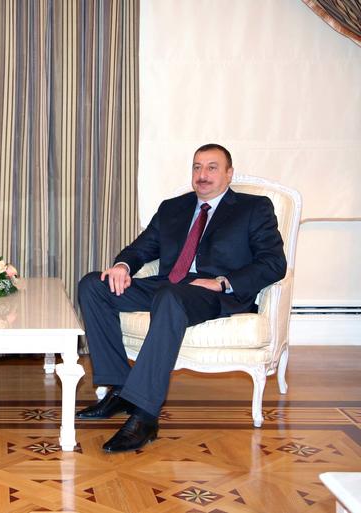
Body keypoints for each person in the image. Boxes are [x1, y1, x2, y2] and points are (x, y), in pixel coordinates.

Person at [76, 143, 287, 453]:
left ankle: (145, 415)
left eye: (212, 167)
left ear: (229, 173)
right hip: (168, 286)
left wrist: (223, 282)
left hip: (212, 293)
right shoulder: (172, 208)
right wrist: (122, 266)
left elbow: (274, 263)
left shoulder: (253, 208)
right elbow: (141, 248)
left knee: (170, 296)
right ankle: (120, 389)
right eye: (197, 167)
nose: (202, 175)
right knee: (93, 285)